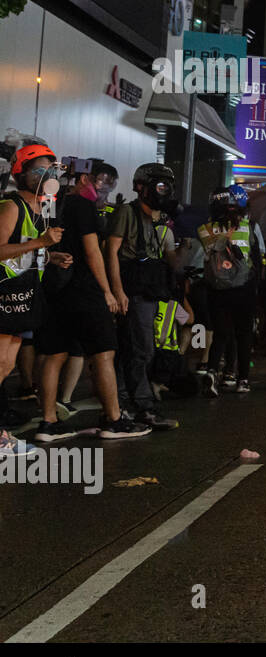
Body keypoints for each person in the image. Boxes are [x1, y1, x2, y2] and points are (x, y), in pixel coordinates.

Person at [33, 159, 150, 441]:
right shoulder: (82, 206)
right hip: (84, 289)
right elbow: (92, 252)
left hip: (55, 287)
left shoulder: (52, 202)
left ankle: (48, 422)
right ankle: (113, 420)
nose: (104, 187)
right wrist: (108, 291)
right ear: (85, 179)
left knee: (55, 354)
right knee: (104, 353)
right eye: (101, 180)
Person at [0, 146, 72, 435]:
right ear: (21, 174)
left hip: (24, 294)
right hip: (6, 294)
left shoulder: (41, 208)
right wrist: (42, 243)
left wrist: (51, 256)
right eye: (38, 170)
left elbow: (26, 249)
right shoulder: (11, 206)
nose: (46, 176)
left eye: (50, 170)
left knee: (6, 365)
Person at [104, 163, 180, 429]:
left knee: (136, 348)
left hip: (147, 289)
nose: (164, 192)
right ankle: (141, 406)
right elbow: (111, 252)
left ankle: (127, 402)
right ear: (141, 187)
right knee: (140, 349)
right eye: (159, 186)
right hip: (132, 290)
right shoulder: (127, 211)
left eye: (167, 186)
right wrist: (117, 291)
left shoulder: (156, 218)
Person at [197, 184, 264, 395]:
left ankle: (211, 372)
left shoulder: (204, 229)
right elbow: (258, 257)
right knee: (244, 335)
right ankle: (242, 379)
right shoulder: (249, 227)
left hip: (216, 289)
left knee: (221, 333)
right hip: (243, 288)